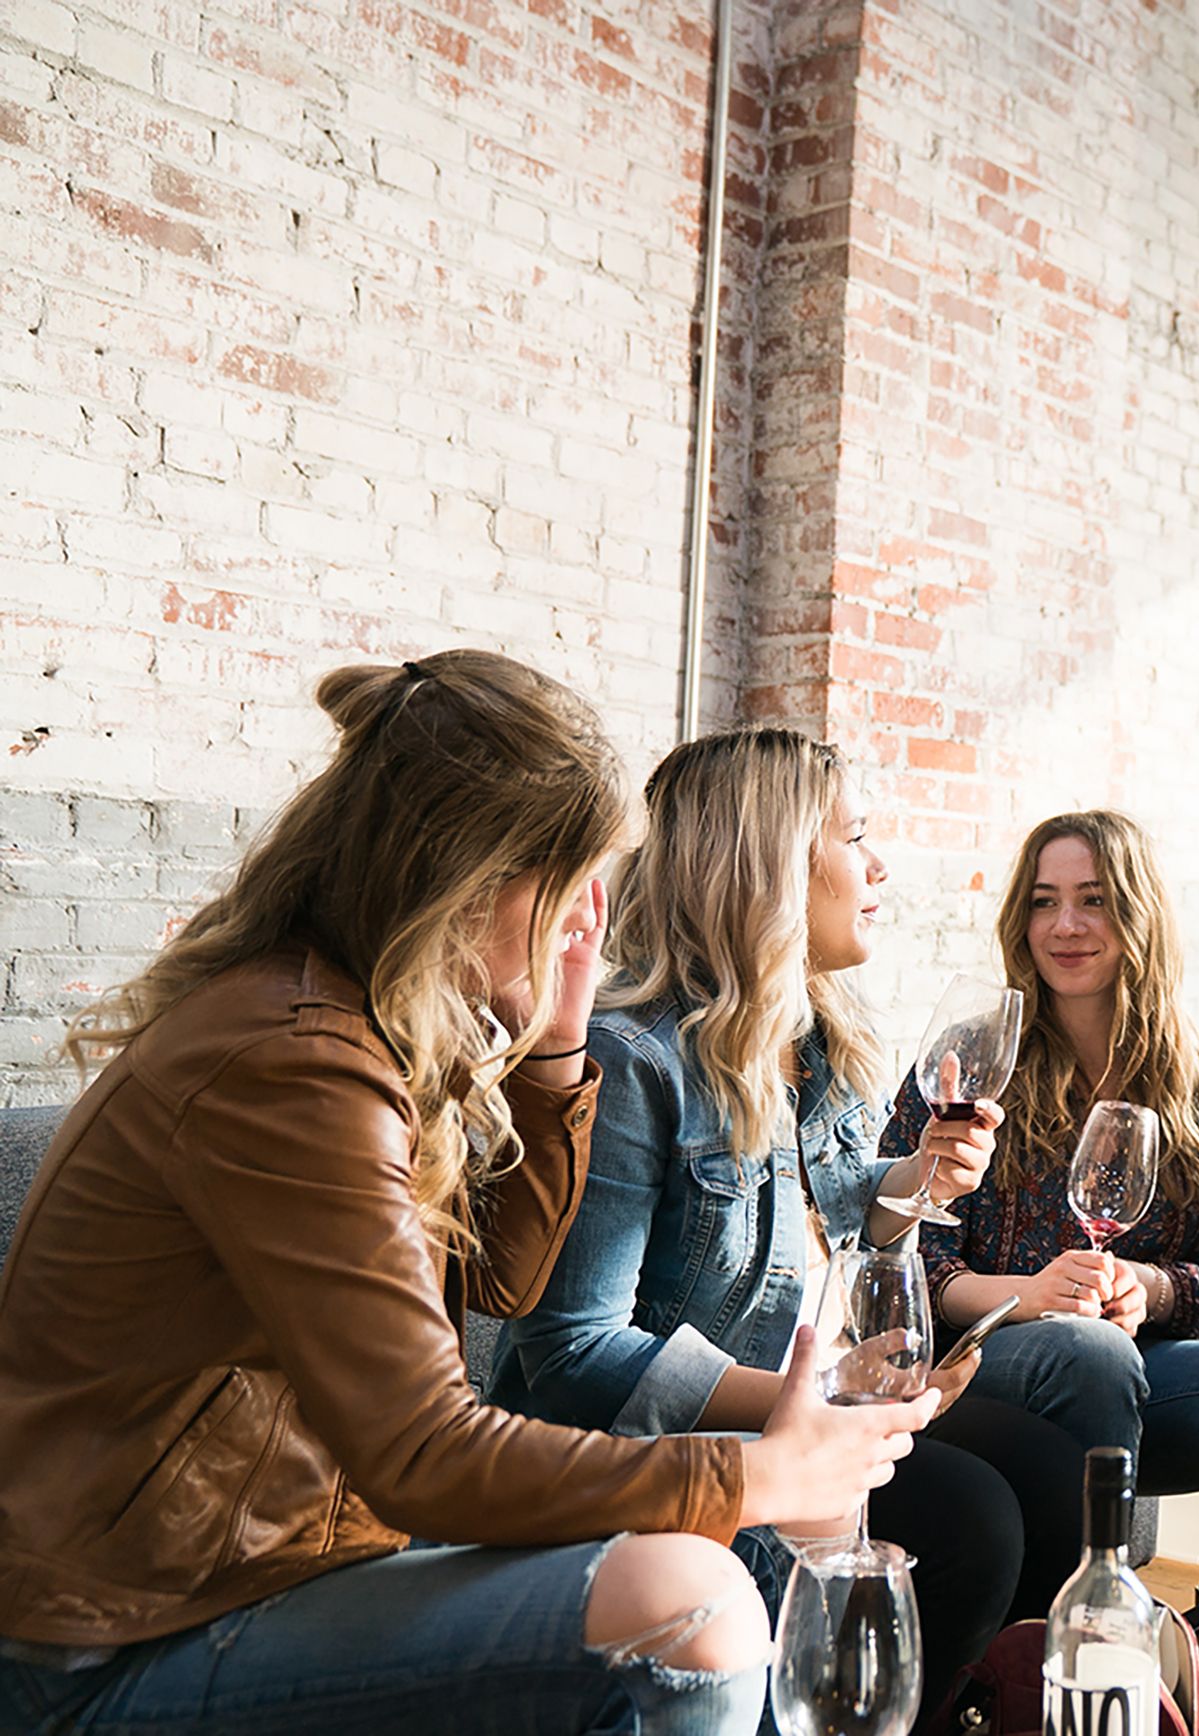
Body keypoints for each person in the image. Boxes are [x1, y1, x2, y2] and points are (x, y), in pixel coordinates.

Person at [0, 652, 920, 1735]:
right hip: (118, 1637)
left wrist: (556, 1048)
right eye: (573, 880)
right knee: (689, 1609)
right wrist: (748, 1471)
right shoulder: (292, 1060)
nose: (591, 917)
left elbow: (499, 1277)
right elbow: (425, 1451)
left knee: (719, 1560)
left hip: (280, 1565)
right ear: (472, 874)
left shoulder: (353, 1023)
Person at [485, 727, 1083, 1731]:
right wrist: (815, 1404)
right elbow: (571, 1352)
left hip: (795, 1398)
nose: (878, 863)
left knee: (1044, 1468)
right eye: (854, 836)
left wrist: (916, 1178)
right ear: (766, 866)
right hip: (662, 1443)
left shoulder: (818, 1037)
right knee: (970, 1519)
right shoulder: (634, 1063)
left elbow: (843, 1208)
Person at [882, 809, 1199, 1614]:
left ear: (1137, 916)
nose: (1067, 926)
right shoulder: (974, 1060)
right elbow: (898, 1244)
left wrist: (1141, 1287)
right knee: (1090, 1354)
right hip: (975, 1361)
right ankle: (1091, 1618)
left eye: (1094, 900)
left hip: (1132, 1360)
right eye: (1045, 902)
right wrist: (1025, 1296)